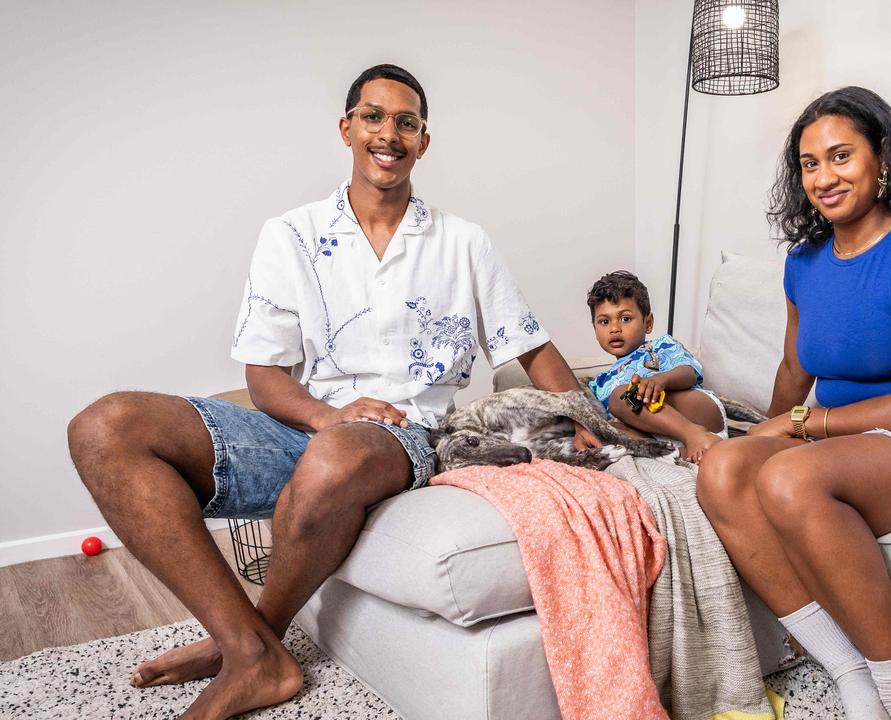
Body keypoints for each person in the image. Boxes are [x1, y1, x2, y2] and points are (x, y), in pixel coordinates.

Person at [65, 64, 599, 720]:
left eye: (407, 122)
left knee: (337, 456)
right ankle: (248, 651)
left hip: (404, 435)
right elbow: (264, 377)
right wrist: (325, 415)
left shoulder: (464, 243)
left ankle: (252, 644)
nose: (389, 133)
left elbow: (530, 345)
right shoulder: (288, 235)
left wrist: (586, 419)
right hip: (305, 422)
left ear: (424, 142)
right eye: (373, 117)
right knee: (104, 426)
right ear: (347, 129)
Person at [696, 86, 891, 720]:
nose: (823, 177)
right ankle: (848, 676)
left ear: (883, 157)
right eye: (809, 164)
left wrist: (803, 425)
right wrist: (755, 432)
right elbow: (792, 368)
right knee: (722, 470)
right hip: (844, 444)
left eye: (841, 156)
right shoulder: (804, 263)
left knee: (786, 477)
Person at [586, 271, 726, 462]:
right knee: (611, 424)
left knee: (624, 395)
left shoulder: (660, 346)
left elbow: (689, 372)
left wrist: (660, 381)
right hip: (657, 436)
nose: (615, 328)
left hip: (697, 413)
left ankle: (692, 433)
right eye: (604, 321)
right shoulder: (599, 383)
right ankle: (678, 453)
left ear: (648, 322)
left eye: (625, 319)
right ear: (595, 329)